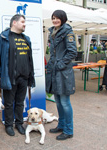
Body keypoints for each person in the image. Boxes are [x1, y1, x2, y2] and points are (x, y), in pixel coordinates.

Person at [0, 14, 35, 136]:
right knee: (9, 103)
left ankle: (19, 124)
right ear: (14, 23)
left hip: (24, 78)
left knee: (20, 103)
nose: (24, 24)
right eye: (22, 21)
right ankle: (9, 125)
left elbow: (29, 59)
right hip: (9, 78)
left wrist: (31, 75)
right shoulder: (3, 37)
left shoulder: (26, 39)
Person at [46, 10, 77, 140]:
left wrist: (59, 64)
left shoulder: (68, 32)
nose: (55, 20)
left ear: (63, 19)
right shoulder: (52, 32)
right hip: (54, 71)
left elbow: (72, 52)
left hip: (63, 72)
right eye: (53, 18)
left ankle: (69, 130)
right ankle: (61, 125)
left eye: (57, 18)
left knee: (65, 102)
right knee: (58, 101)